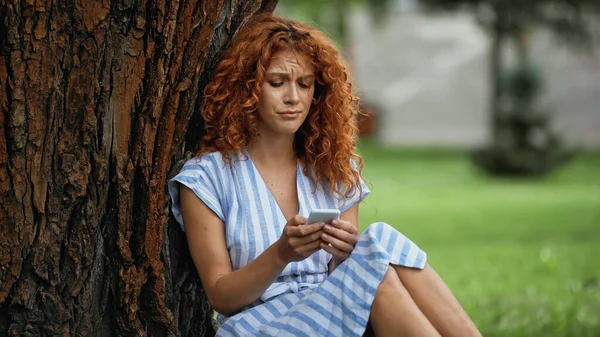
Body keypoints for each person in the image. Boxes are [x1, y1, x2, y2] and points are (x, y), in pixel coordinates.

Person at [168, 13, 481, 337]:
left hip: (336, 313)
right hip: (262, 326)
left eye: (304, 84)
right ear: (247, 88)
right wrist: (281, 254)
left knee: (379, 243)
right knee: (378, 264)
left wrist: (345, 253)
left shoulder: (331, 170)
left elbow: (341, 275)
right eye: (277, 83)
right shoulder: (207, 178)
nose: (294, 97)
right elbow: (221, 297)